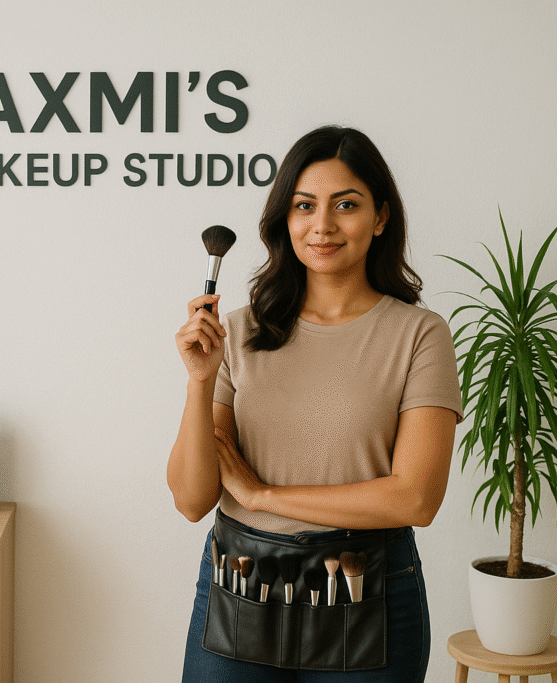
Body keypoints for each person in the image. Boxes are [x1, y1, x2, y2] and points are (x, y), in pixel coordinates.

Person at [168, 125, 463, 682]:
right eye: (305, 206)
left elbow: (416, 498)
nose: (322, 226)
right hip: (239, 584)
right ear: (285, 219)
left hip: (367, 591)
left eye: (345, 205)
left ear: (380, 218)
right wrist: (200, 381)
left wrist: (263, 494)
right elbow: (190, 499)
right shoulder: (235, 333)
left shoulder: (420, 335)